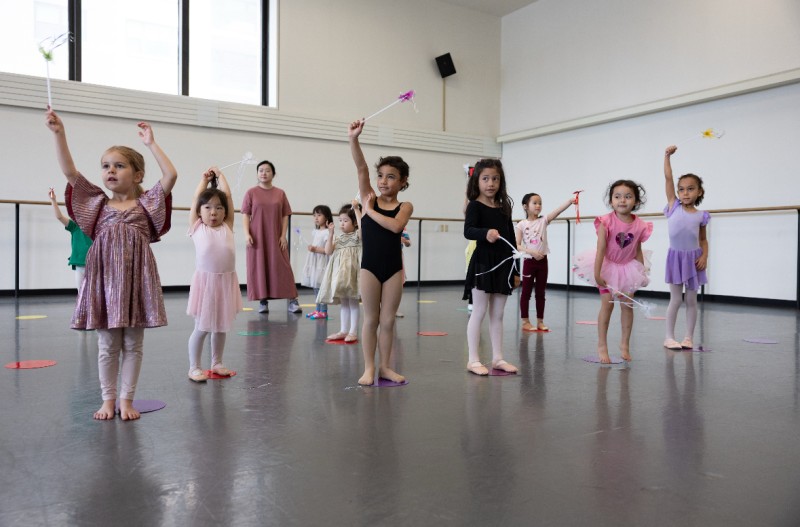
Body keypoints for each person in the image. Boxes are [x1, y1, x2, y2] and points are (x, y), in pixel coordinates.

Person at [45, 108, 177, 420]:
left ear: (137, 174)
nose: (110, 171)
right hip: (104, 283)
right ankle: (107, 400)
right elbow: (70, 173)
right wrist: (59, 133)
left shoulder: (148, 204)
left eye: (119, 166)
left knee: (133, 343)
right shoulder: (97, 204)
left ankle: (126, 400)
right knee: (107, 345)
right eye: (106, 166)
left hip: (135, 283)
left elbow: (170, 176)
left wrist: (151, 144)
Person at [349, 119, 413, 386]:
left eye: (391, 176)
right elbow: (362, 168)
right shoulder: (369, 197)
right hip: (370, 267)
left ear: (402, 182)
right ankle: (369, 367)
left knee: (388, 320)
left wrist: (370, 212)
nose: (384, 181)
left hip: (393, 269)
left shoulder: (404, 205)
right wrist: (354, 139)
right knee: (371, 318)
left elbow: (397, 226)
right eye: (381, 176)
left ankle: (386, 366)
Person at [572, 180, 652, 364]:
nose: (622, 200)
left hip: (628, 268)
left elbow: (637, 249)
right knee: (607, 305)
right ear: (611, 201)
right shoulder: (605, 221)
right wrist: (598, 272)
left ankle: (625, 343)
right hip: (607, 267)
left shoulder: (640, 225)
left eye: (628, 196)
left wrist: (642, 272)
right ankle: (602, 345)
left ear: (636, 202)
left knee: (627, 306)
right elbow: (600, 249)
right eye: (617, 196)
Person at [463, 158, 519, 376]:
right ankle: (473, 359)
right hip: (483, 263)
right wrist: (485, 233)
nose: (490, 183)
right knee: (479, 311)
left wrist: (516, 270)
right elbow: (468, 231)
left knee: (498, 314)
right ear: (477, 181)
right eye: (485, 178)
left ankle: (498, 358)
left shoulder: (505, 207)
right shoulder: (475, 205)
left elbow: (512, 240)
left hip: (503, 264)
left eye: (495, 179)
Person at [186, 167, 242, 382]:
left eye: (219, 208)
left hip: (226, 281)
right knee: (202, 327)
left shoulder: (227, 226)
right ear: (200, 211)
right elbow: (195, 199)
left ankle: (216, 363)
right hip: (206, 283)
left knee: (221, 327)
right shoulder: (197, 228)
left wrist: (222, 177)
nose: (213, 212)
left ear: (225, 212)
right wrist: (204, 180)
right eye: (208, 207)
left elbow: (227, 196)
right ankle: (194, 367)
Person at [663, 145, 709, 350]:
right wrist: (667, 156)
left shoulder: (701, 215)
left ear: (699, 192)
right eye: (681, 189)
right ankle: (669, 337)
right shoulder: (673, 206)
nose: (685, 192)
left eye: (690, 189)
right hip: (676, 258)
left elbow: (703, 240)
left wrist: (705, 256)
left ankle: (689, 337)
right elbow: (668, 178)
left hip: (693, 260)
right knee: (675, 299)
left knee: (691, 299)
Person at [241, 160, 302, 314]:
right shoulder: (251, 193)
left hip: (275, 236)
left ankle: (292, 300)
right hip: (257, 237)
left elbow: (285, 215)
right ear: (257, 174)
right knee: (260, 267)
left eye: (267, 170)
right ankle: (263, 301)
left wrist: (283, 235)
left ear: (273, 174)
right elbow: (245, 215)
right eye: (260, 170)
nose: (263, 173)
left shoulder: (280, 193)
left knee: (283, 267)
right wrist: (247, 234)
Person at [515, 192, 576, 332]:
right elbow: (517, 245)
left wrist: (569, 201)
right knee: (526, 292)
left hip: (543, 262)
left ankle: (540, 321)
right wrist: (531, 252)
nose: (538, 205)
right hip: (529, 262)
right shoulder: (521, 225)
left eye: (540, 203)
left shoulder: (543, 221)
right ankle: (525, 321)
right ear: (525, 206)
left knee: (540, 292)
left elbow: (558, 211)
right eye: (534, 203)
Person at [317, 204, 362, 343]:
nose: (342, 224)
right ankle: (343, 330)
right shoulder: (338, 238)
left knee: (353, 302)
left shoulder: (357, 235)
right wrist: (330, 234)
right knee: (344, 303)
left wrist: (356, 210)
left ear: (354, 222)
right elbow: (328, 251)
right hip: (340, 275)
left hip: (353, 274)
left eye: (346, 221)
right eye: (340, 220)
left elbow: (363, 228)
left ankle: (353, 331)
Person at [48, 187, 93, 290]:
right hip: (79, 265)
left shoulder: (96, 227)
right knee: (81, 293)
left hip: (93, 265)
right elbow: (59, 217)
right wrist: (53, 200)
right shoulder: (74, 226)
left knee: (92, 293)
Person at [303, 205, 333, 320]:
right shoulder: (315, 232)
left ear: (327, 218)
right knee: (315, 287)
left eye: (319, 215)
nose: (316, 218)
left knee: (321, 287)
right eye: (314, 215)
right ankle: (317, 309)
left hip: (322, 263)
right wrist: (312, 248)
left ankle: (323, 311)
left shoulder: (327, 233)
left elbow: (328, 250)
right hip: (315, 262)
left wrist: (315, 249)